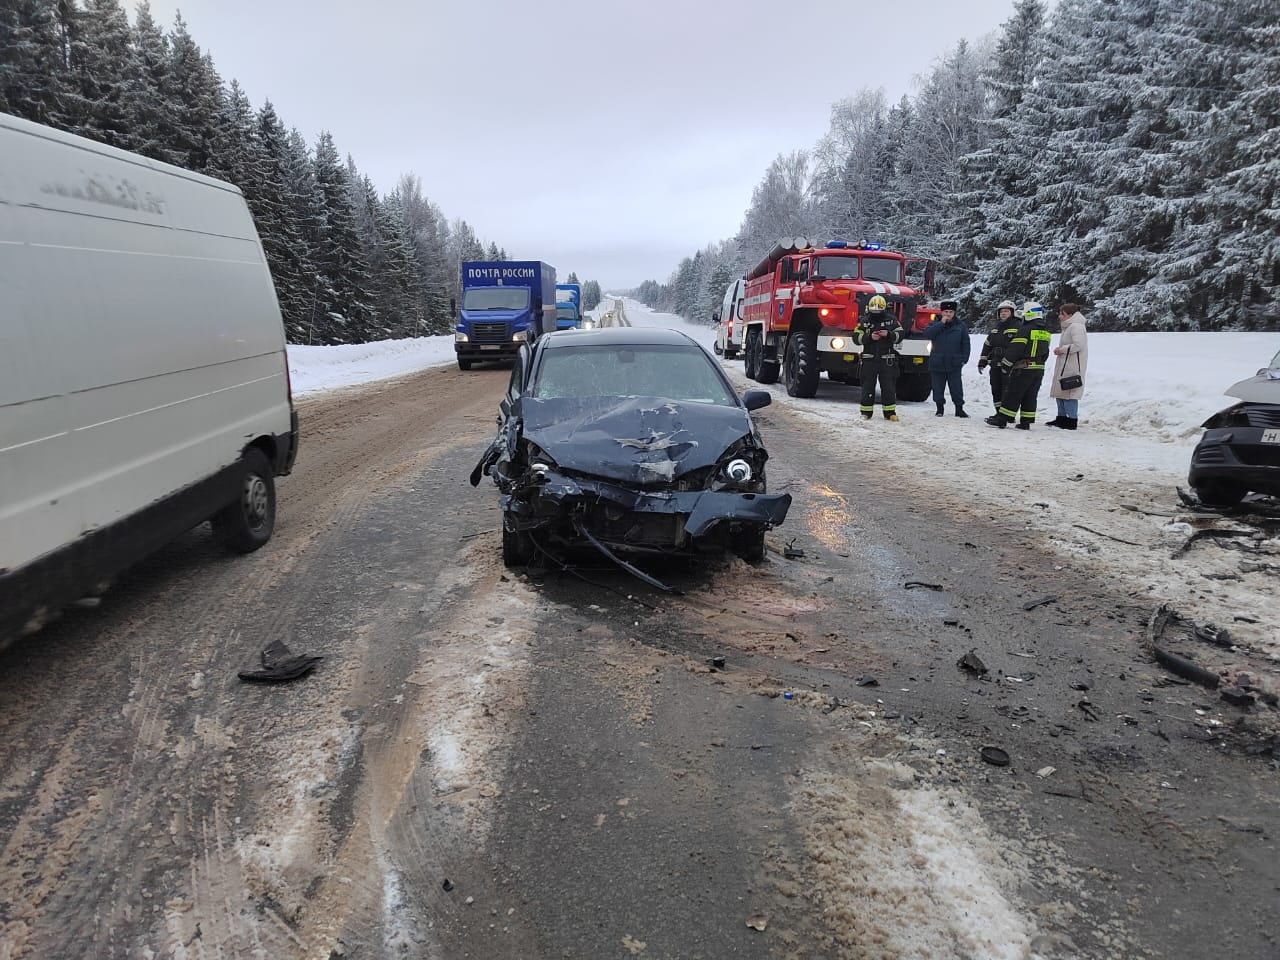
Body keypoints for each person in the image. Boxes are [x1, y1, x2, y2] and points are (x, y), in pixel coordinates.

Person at [986, 300, 1051, 430]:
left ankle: (1002, 419)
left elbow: (1015, 350)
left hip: (1024, 368)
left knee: (1013, 393)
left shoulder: (1025, 330)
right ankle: (1025, 422)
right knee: (1030, 395)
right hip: (1039, 369)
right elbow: (1046, 352)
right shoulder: (1045, 332)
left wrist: (1006, 365)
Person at [853, 294, 902, 421]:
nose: (876, 314)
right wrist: (870, 337)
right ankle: (866, 412)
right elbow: (856, 338)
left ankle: (890, 412)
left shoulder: (891, 320)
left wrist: (889, 334)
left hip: (887, 360)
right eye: (874, 311)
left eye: (878, 311)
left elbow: (900, 334)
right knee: (867, 386)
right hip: (869, 359)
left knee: (888, 387)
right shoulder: (864, 321)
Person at [923, 300, 971, 417]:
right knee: (937, 387)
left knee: (956, 388)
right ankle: (940, 408)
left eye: (950, 312)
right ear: (942, 312)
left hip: (954, 362)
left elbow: (966, 343)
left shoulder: (961, 326)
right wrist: (941, 324)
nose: (948, 314)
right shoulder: (934, 324)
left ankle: (959, 408)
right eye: (946, 312)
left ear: (954, 313)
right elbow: (927, 334)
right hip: (937, 361)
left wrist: (964, 358)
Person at [1048, 302, 1088, 429]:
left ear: (1070, 315)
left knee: (1070, 392)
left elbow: (1079, 345)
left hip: (1072, 365)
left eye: (1062, 314)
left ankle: (1071, 420)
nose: (1060, 316)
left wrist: (1062, 349)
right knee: (1061, 391)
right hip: (1064, 364)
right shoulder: (1068, 327)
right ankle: (1061, 418)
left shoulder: (1076, 326)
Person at [978, 300, 1018, 414]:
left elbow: (1019, 347)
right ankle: (998, 412)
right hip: (995, 365)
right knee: (996, 390)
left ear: (1012, 313)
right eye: (1001, 312)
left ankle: (1006, 414)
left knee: (1008, 391)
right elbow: (987, 346)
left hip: (1009, 366)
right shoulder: (996, 329)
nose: (1003, 313)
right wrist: (982, 362)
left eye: (1006, 311)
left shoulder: (1018, 327)